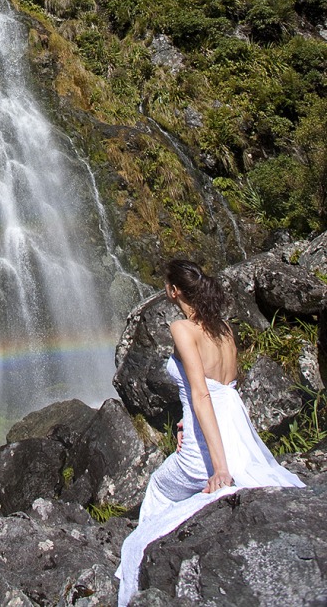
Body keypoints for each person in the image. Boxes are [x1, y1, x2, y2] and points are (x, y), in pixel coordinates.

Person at [116, 257, 305, 606]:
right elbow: (225, 388)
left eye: (165, 285)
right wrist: (189, 417)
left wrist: (220, 468)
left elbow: (202, 393)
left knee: (158, 485)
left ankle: (145, 579)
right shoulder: (225, 329)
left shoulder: (182, 329)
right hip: (235, 434)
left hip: (206, 450)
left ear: (173, 291)